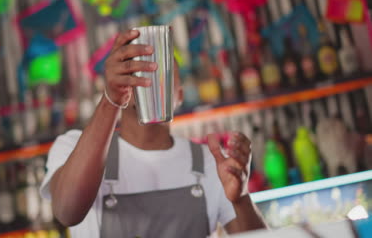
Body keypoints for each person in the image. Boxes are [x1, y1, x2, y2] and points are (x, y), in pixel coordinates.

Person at [40, 29, 267, 237]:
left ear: (179, 95)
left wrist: (241, 199)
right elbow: (67, 212)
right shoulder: (74, 147)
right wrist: (111, 101)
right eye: (140, 71)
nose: (149, 80)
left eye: (163, 72)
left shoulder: (211, 163)